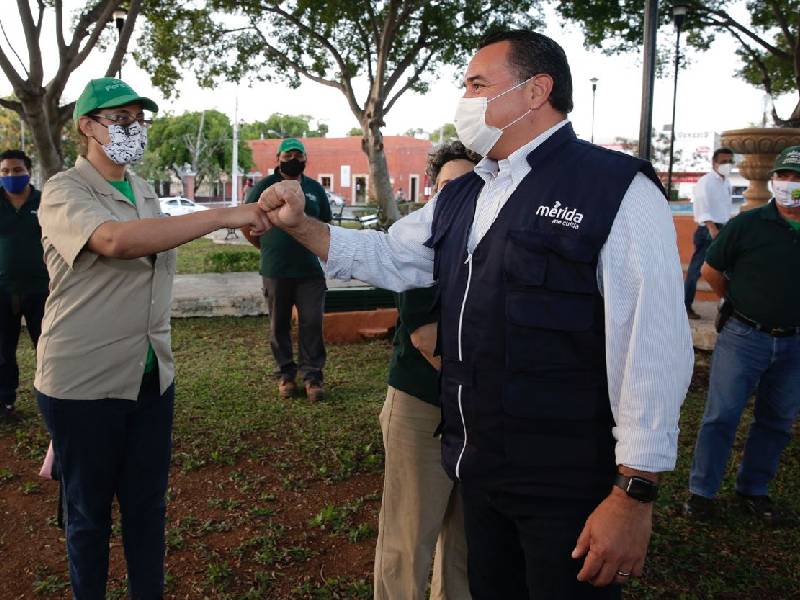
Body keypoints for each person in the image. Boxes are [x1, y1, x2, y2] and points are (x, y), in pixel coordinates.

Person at [258, 30, 693, 599]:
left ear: (536, 91)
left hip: (565, 487)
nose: (464, 98)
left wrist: (632, 493)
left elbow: (652, 345)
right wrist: (303, 225)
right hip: (478, 471)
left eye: (477, 84)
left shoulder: (614, 189)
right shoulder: (467, 192)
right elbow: (392, 255)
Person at [35, 77, 270, 600]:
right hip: (82, 382)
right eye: (120, 121)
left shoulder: (142, 191)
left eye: (139, 120)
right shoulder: (63, 190)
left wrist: (242, 231)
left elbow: (156, 248)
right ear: (87, 127)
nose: (132, 130)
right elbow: (114, 241)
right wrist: (222, 214)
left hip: (150, 378)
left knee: (147, 511)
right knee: (88, 517)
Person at [375, 141, 479, 600]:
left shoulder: (491, 248)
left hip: (476, 415)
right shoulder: (418, 245)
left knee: (465, 541)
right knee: (409, 537)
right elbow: (426, 338)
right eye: (443, 188)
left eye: (467, 188)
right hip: (424, 409)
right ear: (430, 195)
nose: (452, 198)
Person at [684, 146, 800, 525]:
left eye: (795, 177)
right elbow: (713, 270)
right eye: (783, 175)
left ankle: (754, 490)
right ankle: (701, 494)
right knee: (721, 416)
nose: (788, 183)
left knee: (777, 421)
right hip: (744, 336)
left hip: (794, 343)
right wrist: (738, 302)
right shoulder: (748, 224)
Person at [243, 138, 331, 402]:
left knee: (312, 323)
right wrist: (267, 248)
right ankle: (286, 375)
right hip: (276, 269)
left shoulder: (315, 189)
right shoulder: (263, 187)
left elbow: (325, 225)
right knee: (278, 324)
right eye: (288, 154)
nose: (293, 158)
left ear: (305, 159)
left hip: (310, 270)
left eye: (298, 154)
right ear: (278, 158)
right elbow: (247, 223)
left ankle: (312, 377)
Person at [0, 149, 48, 416]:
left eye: (17, 170)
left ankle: (50, 398)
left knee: (45, 346)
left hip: (40, 289)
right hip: (2, 291)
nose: (10, 175)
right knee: (2, 350)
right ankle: (5, 401)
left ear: (28, 172)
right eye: (5, 171)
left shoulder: (45, 202)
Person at [685, 148, 735, 319]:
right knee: (696, 270)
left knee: (730, 268)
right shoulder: (705, 182)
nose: (727, 165)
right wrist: (711, 228)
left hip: (723, 229)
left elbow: (725, 208)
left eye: (730, 161)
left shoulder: (726, 182)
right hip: (708, 231)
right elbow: (701, 206)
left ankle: (729, 306)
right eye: (723, 161)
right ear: (714, 163)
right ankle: (685, 305)